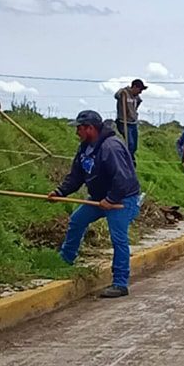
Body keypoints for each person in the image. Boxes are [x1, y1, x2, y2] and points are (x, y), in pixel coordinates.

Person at [49, 110, 141, 298]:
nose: (77, 133)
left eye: (79, 128)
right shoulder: (84, 148)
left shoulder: (111, 147)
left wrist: (111, 199)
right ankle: (65, 260)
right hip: (100, 197)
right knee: (77, 220)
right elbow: (76, 176)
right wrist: (60, 192)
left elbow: (122, 179)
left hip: (122, 199)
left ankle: (120, 283)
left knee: (118, 239)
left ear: (90, 128)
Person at [115, 79, 147, 160]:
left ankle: (130, 159)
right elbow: (117, 95)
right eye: (140, 89)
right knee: (130, 144)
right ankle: (127, 160)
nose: (140, 92)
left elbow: (139, 102)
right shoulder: (124, 93)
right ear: (135, 87)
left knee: (134, 146)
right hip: (124, 122)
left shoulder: (137, 97)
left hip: (133, 123)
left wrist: (134, 113)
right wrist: (121, 91)